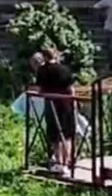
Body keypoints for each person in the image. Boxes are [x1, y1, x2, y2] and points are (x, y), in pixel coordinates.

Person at [31, 48, 77, 176]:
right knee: (67, 134)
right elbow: (71, 88)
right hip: (66, 103)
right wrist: (74, 102)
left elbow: (40, 89)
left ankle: (59, 162)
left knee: (54, 135)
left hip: (51, 103)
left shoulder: (43, 70)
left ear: (44, 57)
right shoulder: (64, 69)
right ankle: (67, 162)